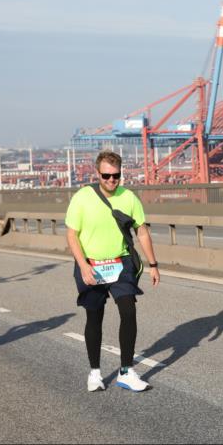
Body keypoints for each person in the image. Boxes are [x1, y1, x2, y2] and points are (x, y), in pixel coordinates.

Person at [65, 151, 160, 392]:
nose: (111, 180)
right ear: (97, 173)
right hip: (92, 265)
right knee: (94, 316)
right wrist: (83, 265)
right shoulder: (82, 198)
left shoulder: (129, 198)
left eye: (116, 176)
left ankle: (126, 372)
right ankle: (95, 373)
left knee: (128, 310)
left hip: (121, 263)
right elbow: (71, 234)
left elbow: (142, 231)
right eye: (106, 175)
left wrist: (153, 264)